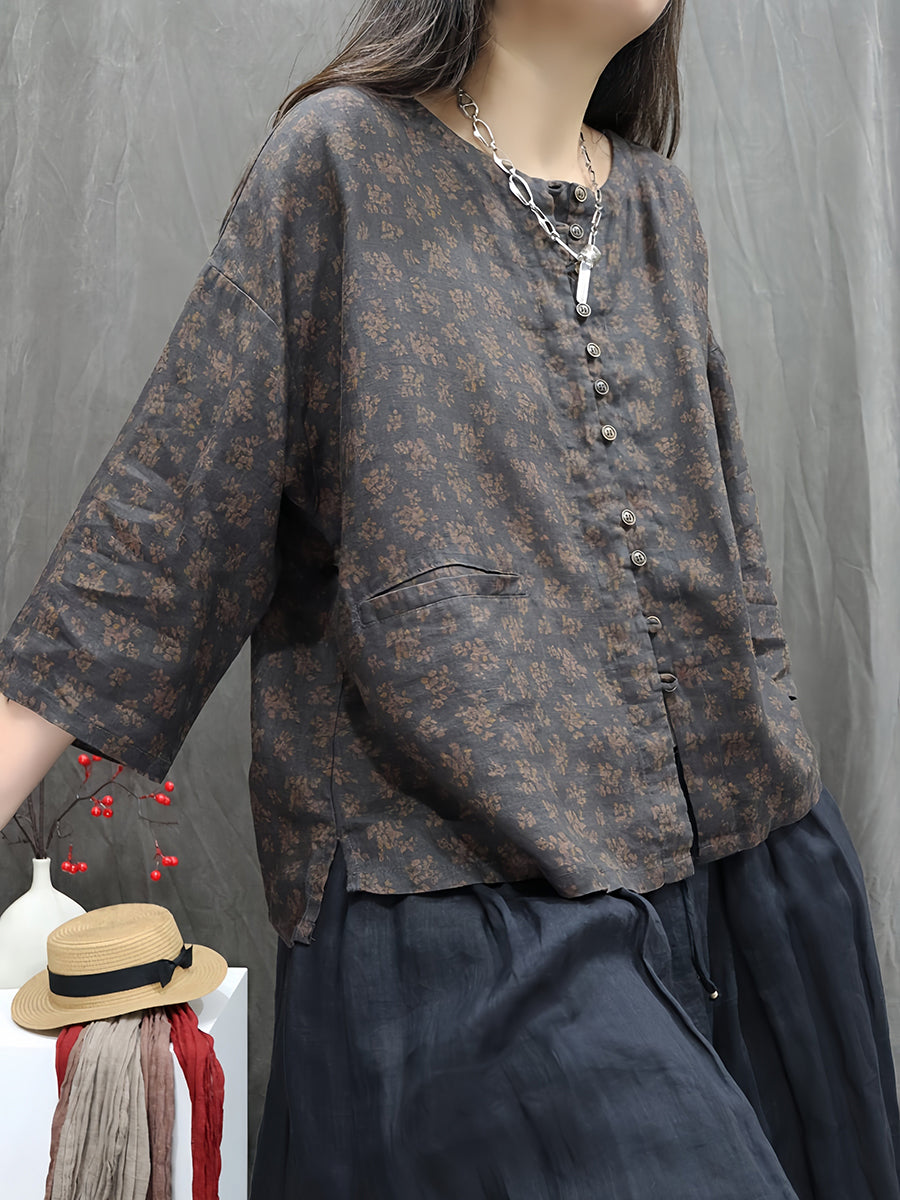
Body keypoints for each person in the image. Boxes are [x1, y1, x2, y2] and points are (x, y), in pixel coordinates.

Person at [1, 0, 898, 1196]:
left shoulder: (657, 207)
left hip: (742, 867)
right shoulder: (338, 166)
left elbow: (728, 558)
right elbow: (168, 511)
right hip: (453, 896)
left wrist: (779, 822)